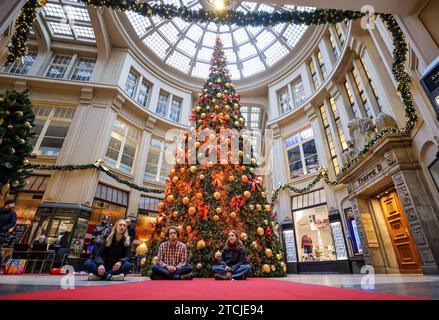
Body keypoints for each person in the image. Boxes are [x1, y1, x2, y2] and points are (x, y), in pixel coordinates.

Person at [0, 199, 17, 271]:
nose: (14, 205)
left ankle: (0, 266)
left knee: (0, 249)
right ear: (7, 204)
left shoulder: (12, 213)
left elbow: (13, 223)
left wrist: (4, 228)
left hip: (3, 233)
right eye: (12, 204)